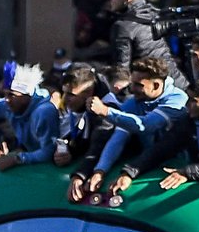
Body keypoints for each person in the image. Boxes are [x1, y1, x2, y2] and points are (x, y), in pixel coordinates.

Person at [81, 57, 189, 198]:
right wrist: (100, 171)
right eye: (132, 83)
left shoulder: (177, 100)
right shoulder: (135, 102)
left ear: (156, 85)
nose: (132, 89)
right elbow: (118, 138)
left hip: (178, 166)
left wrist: (106, 111)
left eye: (139, 85)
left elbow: (147, 125)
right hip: (147, 164)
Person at [0, 65, 59, 170]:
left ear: (27, 95)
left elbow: (49, 151)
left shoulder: (44, 111)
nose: (7, 100)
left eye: (12, 95)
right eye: (5, 95)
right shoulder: (8, 106)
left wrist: (17, 159)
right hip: (31, 160)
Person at [105, 0, 186, 86]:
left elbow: (122, 72)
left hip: (155, 91)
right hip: (177, 83)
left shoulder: (122, 26)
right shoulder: (152, 14)